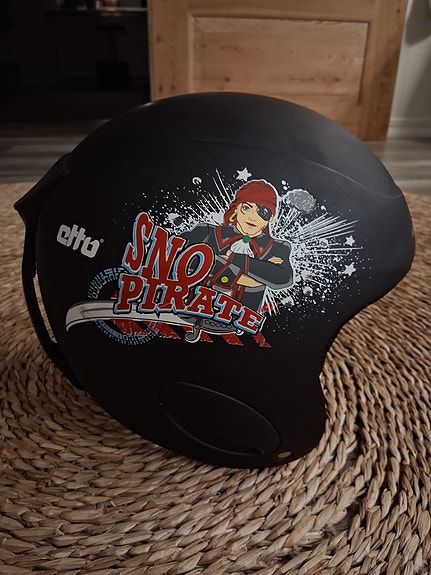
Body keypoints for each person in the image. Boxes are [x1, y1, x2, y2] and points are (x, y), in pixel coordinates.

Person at [183, 179, 293, 316]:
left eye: (262, 212)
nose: (252, 217)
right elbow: (178, 256)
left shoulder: (278, 247)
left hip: (241, 322)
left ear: (271, 217)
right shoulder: (207, 232)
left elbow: (283, 278)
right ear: (237, 208)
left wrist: (232, 259)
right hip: (188, 311)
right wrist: (247, 277)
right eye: (247, 208)